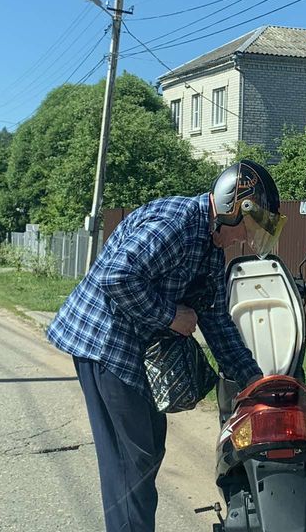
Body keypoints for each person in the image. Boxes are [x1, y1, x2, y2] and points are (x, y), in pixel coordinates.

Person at [46, 159, 286, 531]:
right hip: (105, 343)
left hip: (132, 347)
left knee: (146, 450)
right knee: (132, 461)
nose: (243, 239)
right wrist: (171, 316)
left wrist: (255, 383)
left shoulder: (209, 244)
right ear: (230, 207)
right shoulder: (178, 225)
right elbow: (116, 277)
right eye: (246, 229)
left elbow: (216, 321)